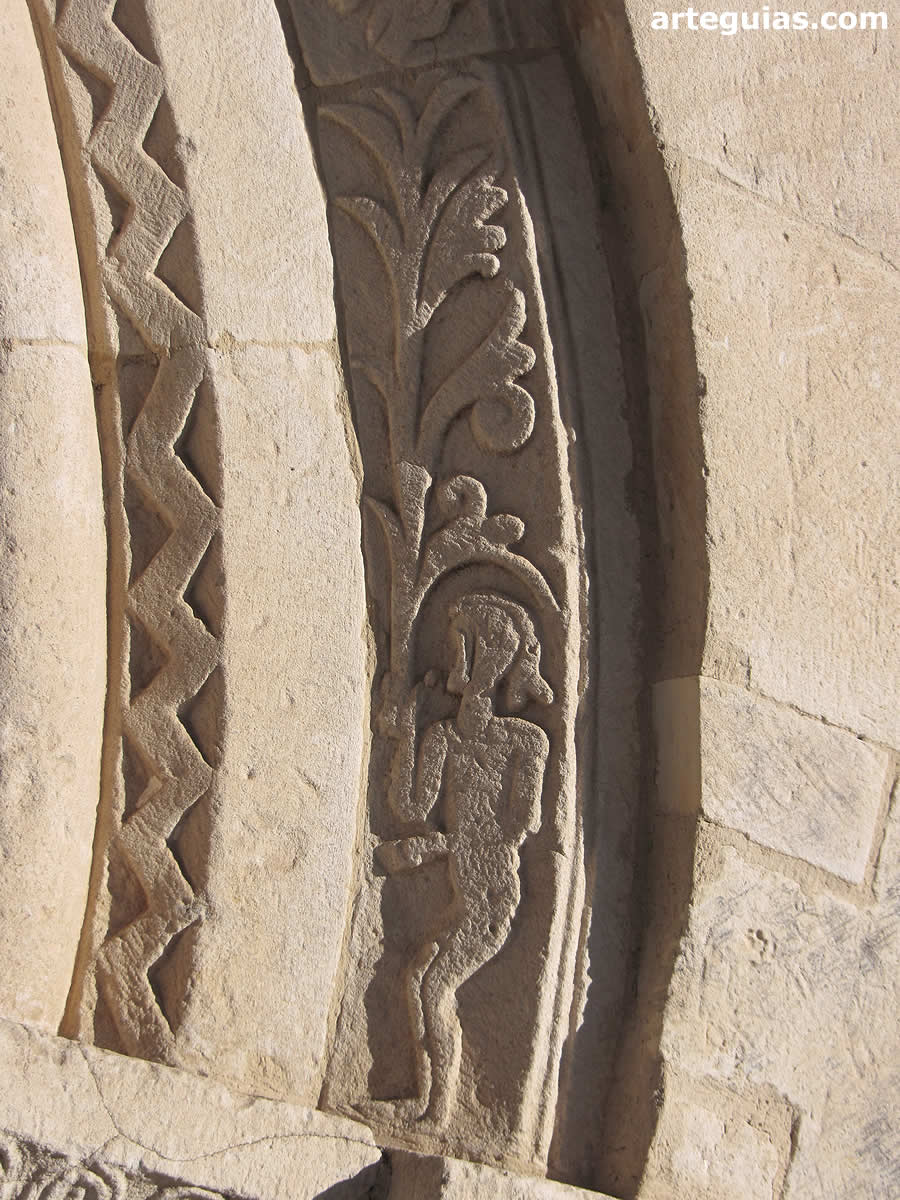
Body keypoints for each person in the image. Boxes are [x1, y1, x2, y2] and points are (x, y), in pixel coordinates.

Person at [376, 592, 553, 1126]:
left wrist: (440, 846)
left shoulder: (526, 741)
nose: (451, 661)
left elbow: (523, 824)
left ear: (488, 659)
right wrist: (406, 731)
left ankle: (440, 1110)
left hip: (492, 895)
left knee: (432, 985)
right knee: (417, 981)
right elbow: (410, 805)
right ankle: (427, 1100)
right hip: (465, 888)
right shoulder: (444, 736)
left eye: (460, 649)